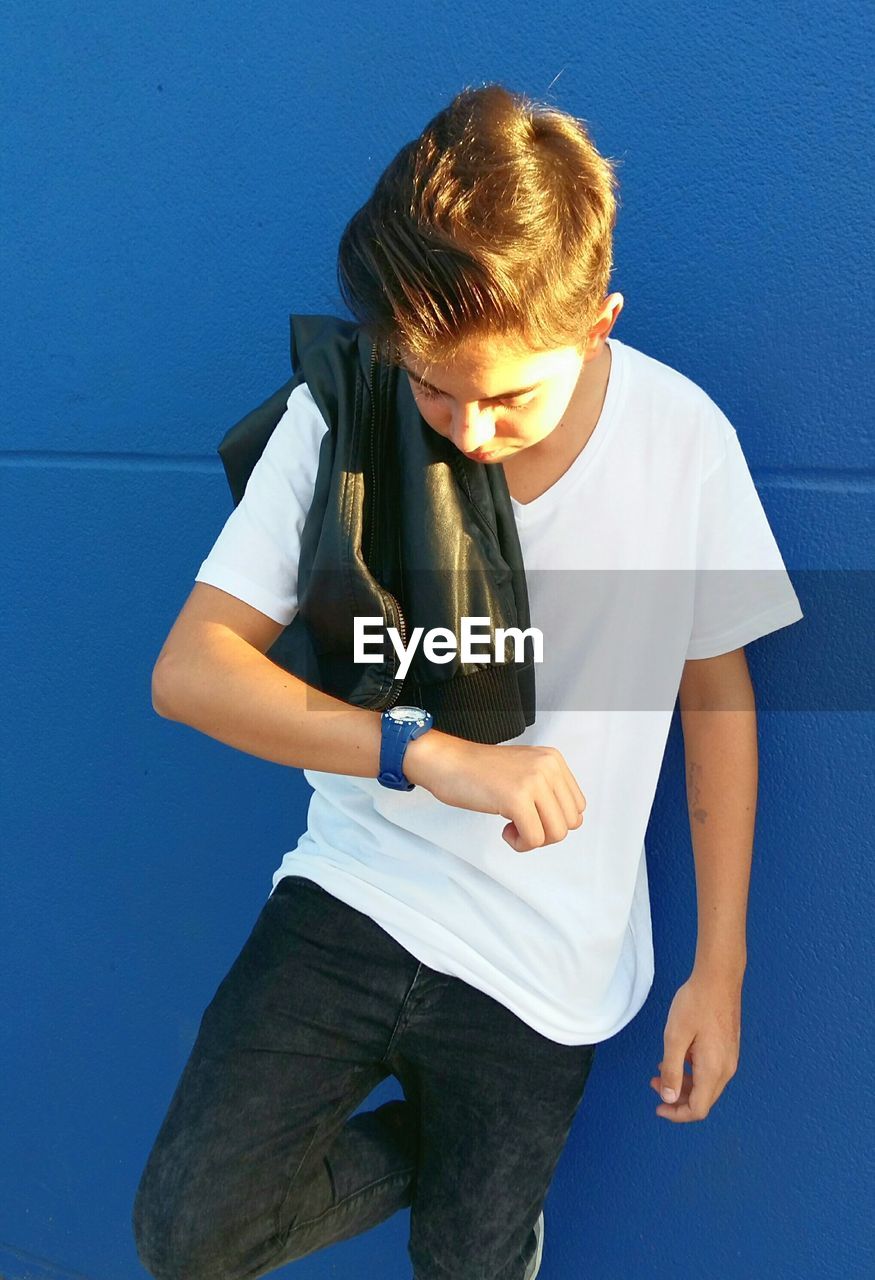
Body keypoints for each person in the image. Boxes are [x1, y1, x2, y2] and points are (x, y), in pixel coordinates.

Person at [131, 83, 804, 1280]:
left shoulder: (679, 442)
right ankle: (460, 1156)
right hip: (354, 895)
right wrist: (422, 750)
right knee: (191, 1233)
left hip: (546, 962)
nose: (466, 429)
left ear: (597, 320)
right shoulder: (340, 409)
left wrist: (720, 969)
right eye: (432, 384)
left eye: (508, 394)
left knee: (471, 1266)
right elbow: (190, 669)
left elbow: (717, 697)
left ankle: (485, 1186)